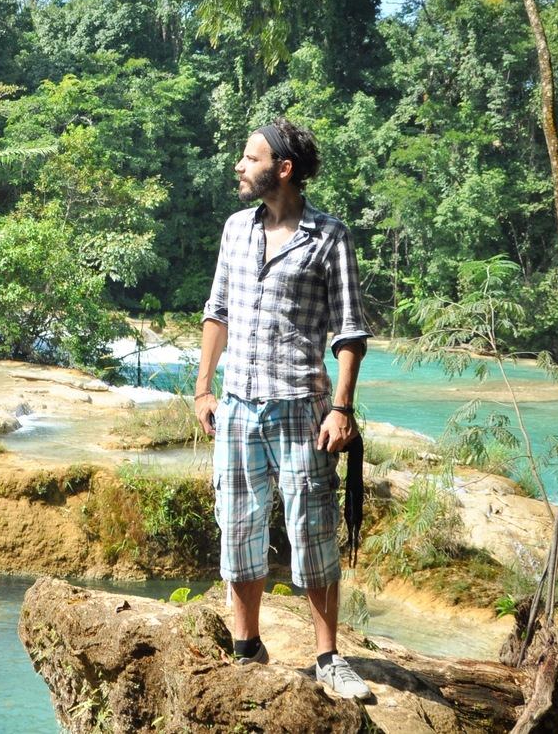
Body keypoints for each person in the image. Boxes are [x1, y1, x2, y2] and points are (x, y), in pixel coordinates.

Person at [192, 118, 373, 700]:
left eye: (250, 158)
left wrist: (340, 408)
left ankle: (328, 657)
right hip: (238, 407)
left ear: (283, 169)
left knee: (313, 531)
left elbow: (349, 332)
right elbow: (216, 312)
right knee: (239, 528)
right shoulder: (235, 230)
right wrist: (202, 389)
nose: (240, 167)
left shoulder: (328, 236)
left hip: (302, 408)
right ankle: (247, 647)